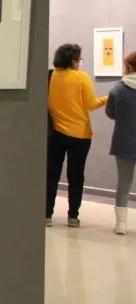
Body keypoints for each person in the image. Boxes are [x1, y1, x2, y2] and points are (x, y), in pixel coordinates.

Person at [47, 44, 107, 228]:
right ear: (73, 61)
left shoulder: (50, 76)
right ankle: (73, 216)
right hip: (80, 136)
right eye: (79, 59)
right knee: (76, 176)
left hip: (56, 133)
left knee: (51, 174)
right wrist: (108, 98)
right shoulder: (81, 77)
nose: (80, 63)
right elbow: (91, 105)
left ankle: (46, 215)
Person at [105, 51, 136, 235]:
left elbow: (111, 113)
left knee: (124, 183)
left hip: (124, 141)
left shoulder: (117, 89)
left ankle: (121, 224)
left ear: (129, 66)